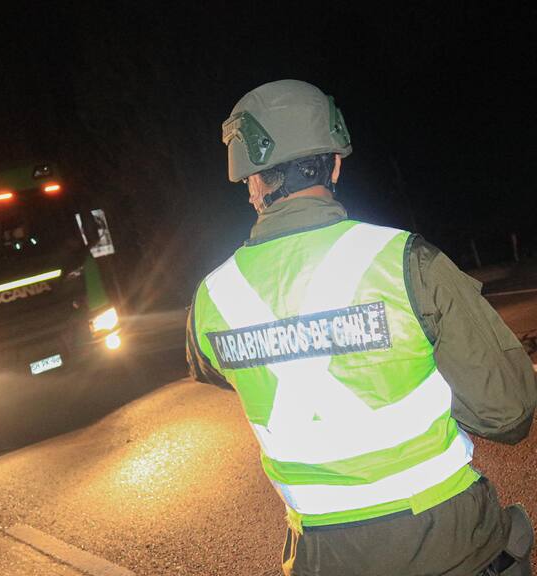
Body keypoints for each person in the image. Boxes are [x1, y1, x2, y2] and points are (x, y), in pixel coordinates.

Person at [186, 79, 536, 576]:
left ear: (252, 181)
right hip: (451, 547)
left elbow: (221, 371)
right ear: (335, 163)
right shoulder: (406, 261)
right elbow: (507, 414)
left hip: (321, 559)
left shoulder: (212, 296)